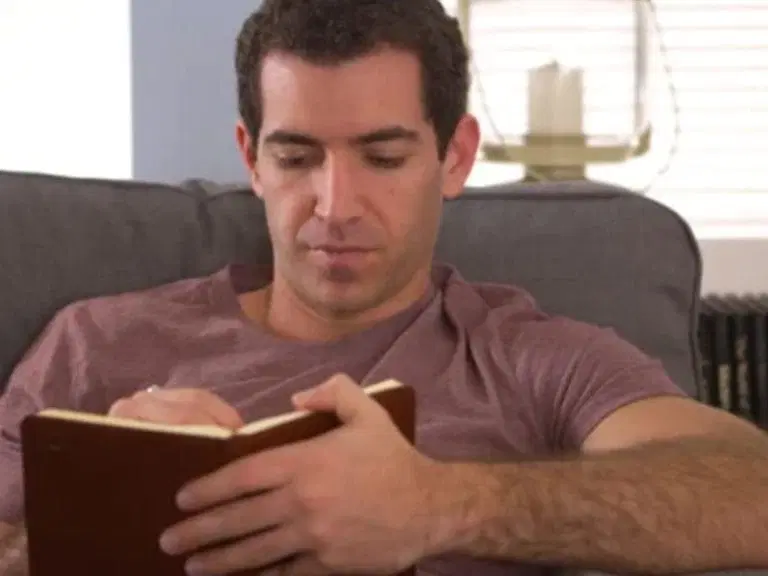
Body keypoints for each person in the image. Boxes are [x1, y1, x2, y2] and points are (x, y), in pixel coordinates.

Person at [2, 0, 768, 574]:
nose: (335, 208)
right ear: (252, 159)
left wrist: (441, 506)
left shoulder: (531, 359)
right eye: (297, 157)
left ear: (456, 157)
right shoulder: (96, 343)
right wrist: (92, 518)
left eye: (384, 157)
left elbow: (749, 490)